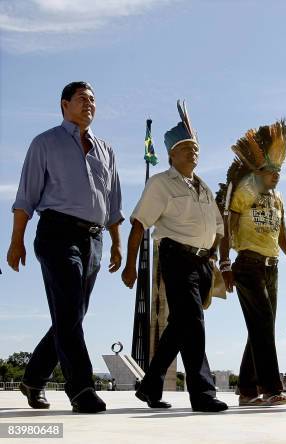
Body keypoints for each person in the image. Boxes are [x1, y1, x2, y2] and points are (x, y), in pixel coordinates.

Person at [6, 81, 123, 413]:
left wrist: (115, 244)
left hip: (94, 239)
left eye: (93, 100)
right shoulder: (44, 143)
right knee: (70, 309)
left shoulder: (107, 150)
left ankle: (33, 378)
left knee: (72, 314)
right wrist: (16, 241)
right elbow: (25, 196)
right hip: (57, 233)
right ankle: (82, 389)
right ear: (64, 104)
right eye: (82, 99)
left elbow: (113, 203)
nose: (89, 104)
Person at [121, 101, 227, 413]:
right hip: (176, 257)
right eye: (185, 148)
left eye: (195, 148)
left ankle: (150, 385)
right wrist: (130, 266)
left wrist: (215, 256)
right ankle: (202, 394)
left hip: (202, 262)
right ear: (171, 154)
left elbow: (218, 226)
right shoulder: (160, 183)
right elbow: (139, 223)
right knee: (193, 323)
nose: (192, 152)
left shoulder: (204, 187)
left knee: (179, 325)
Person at [218, 120, 286, 407]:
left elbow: (282, 234)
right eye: (270, 170)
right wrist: (225, 264)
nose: (275, 176)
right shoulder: (245, 191)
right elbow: (227, 226)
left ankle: (246, 390)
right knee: (263, 324)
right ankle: (271, 388)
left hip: (273, 266)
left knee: (261, 327)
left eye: (278, 171)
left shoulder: (278, 198)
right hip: (248, 264)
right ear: (258, 170)